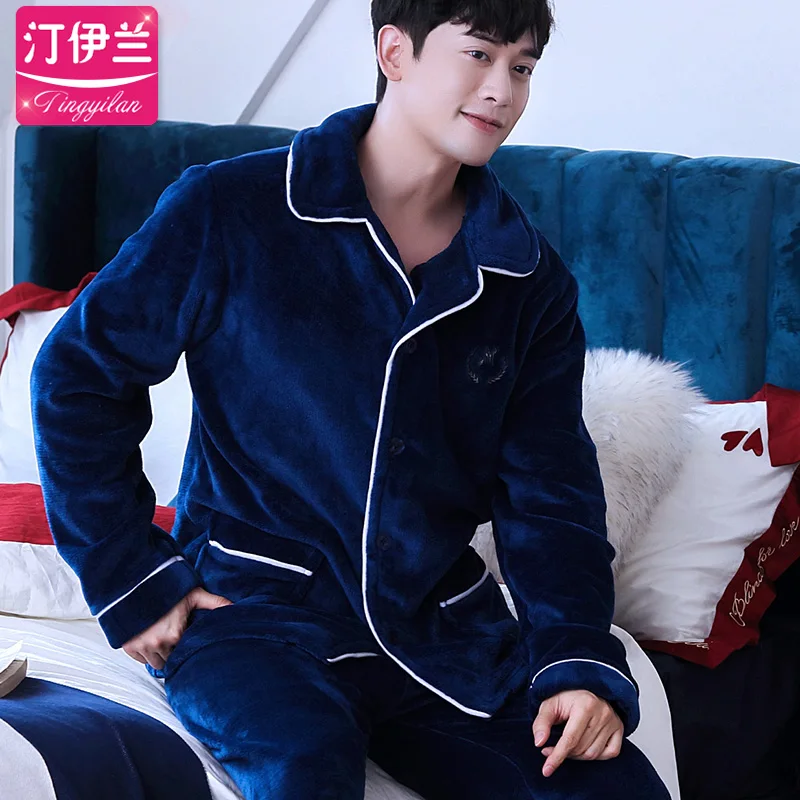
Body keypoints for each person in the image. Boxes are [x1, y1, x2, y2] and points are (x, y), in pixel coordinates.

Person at [30, 1, 672, 798]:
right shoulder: (230, 208)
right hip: (253, 614)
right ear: (394, 53)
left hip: (443, 631)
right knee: (304, 769)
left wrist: (575, 661)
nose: (502, 90)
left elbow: (551, 496)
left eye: (522, 66)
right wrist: (130, 575)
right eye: (478, 54)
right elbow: (77, 377)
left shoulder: (526, 279)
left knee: (614, 789)